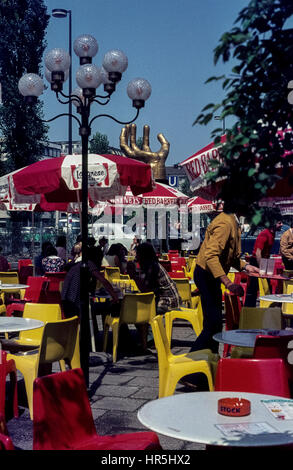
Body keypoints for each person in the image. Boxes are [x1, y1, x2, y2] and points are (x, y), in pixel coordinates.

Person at [189, 199, 259, 354]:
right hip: (206, 274)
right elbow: (211, 256)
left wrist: (246, 267)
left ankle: (211, 362)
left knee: (214, 324)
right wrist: (228, 283)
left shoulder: (232, 221)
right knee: (212, 323)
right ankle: (193, 366)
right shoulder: (225, 223)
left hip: (210, 275)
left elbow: (229, 256)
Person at [61, 242, 119, 319]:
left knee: (99, 307)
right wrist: (115, 296)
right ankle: (114, 326)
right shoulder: (88, 264)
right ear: (97, 257)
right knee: (111, 306)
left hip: (66, 302)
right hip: (75, 304)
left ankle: (95, 328)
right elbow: (104, 281)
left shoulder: (79, 265)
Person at [127, 242, 180, 314]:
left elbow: (147, 291)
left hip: (167, 302)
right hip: (166, 300)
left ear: (144, 255)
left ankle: (145, 325)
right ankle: (144, 325)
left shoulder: (153, 267)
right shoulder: (151, 265)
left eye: (138, 253)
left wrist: (134, 276)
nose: (136, 256)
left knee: (136, 312)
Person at [245, 219, 283, 307]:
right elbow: (258, 252)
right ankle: (249, 309)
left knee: (267, 286)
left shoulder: (272, 234)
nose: (282, 224)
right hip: (256, 261)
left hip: (264, 260)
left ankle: (268, 307)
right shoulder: (265, 233)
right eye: (279, 222)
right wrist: (261, 267)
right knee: (253, 288)